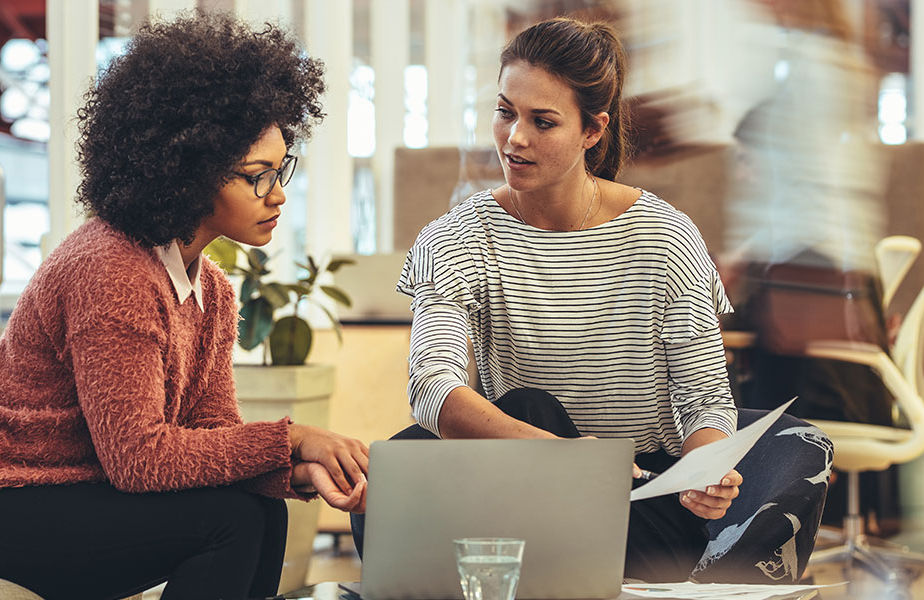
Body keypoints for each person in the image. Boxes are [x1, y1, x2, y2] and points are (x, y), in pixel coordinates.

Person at [0, 13, 368, 600]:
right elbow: (139, 458)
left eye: (281, 169)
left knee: (262, 511)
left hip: (56, 489)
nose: (279, 194)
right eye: (257, 177)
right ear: (191, 173)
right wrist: (291, 440)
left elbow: (209, 436)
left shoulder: (209, 289)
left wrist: (293, 472)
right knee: (230, 522)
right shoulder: (112, 269)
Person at [352, 18, 832, 584]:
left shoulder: (665, 237)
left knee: (799, 443)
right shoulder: (456, 238)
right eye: (505, 111)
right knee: (486, 426)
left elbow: (704, 400)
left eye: (543, 121)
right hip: (516, 485)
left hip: (639, 499)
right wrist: (572, 462)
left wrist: (709, 469)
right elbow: (432, 389)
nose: (515, 138)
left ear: (592, 130)